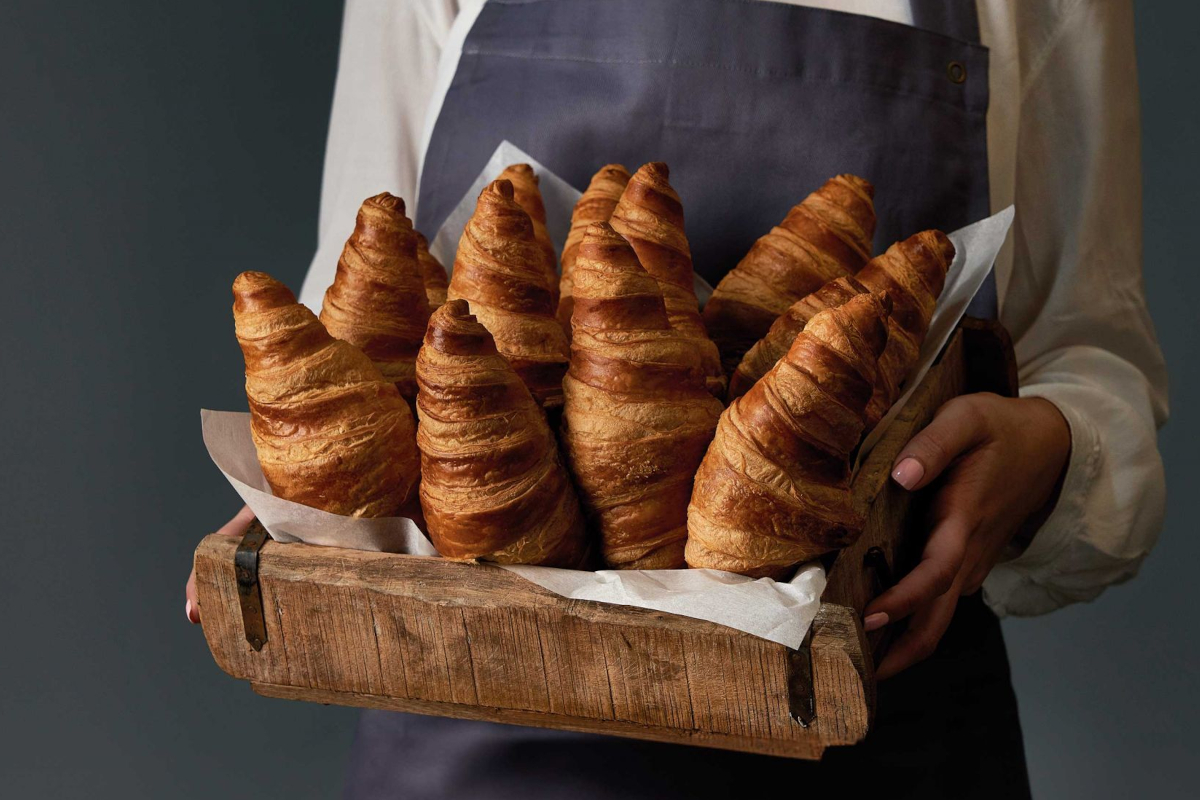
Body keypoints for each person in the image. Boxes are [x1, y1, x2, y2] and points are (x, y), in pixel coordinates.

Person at [187, 1, 1168, 796]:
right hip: (474, 718)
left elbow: (1093, 356)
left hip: (878, 720)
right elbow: (375, 303)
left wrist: (1050, 447)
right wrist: (312, 486)